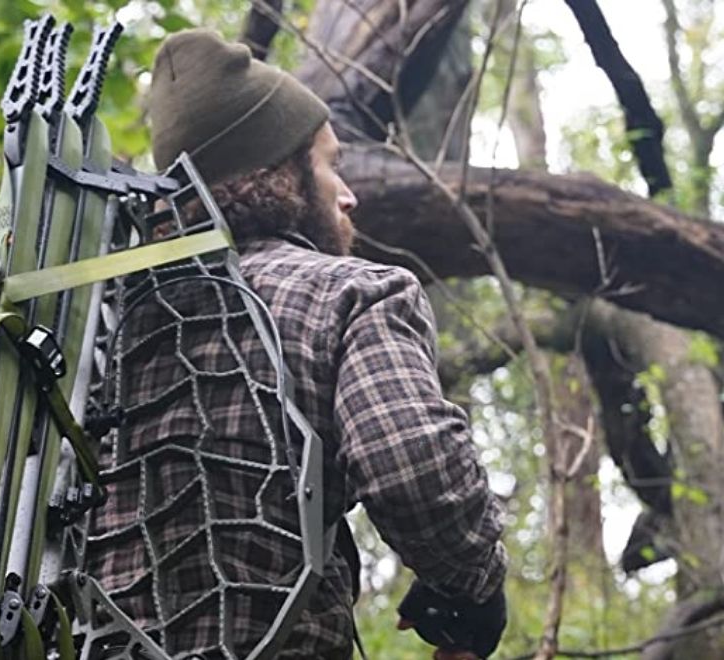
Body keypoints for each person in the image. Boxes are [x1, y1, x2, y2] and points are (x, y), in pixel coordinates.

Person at [87, 29, 507, 660]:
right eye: (329, 163)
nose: (349, 194)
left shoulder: (101, 320)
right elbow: (411, 468)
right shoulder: (356, 294)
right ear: (277, 173)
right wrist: (474, 588)